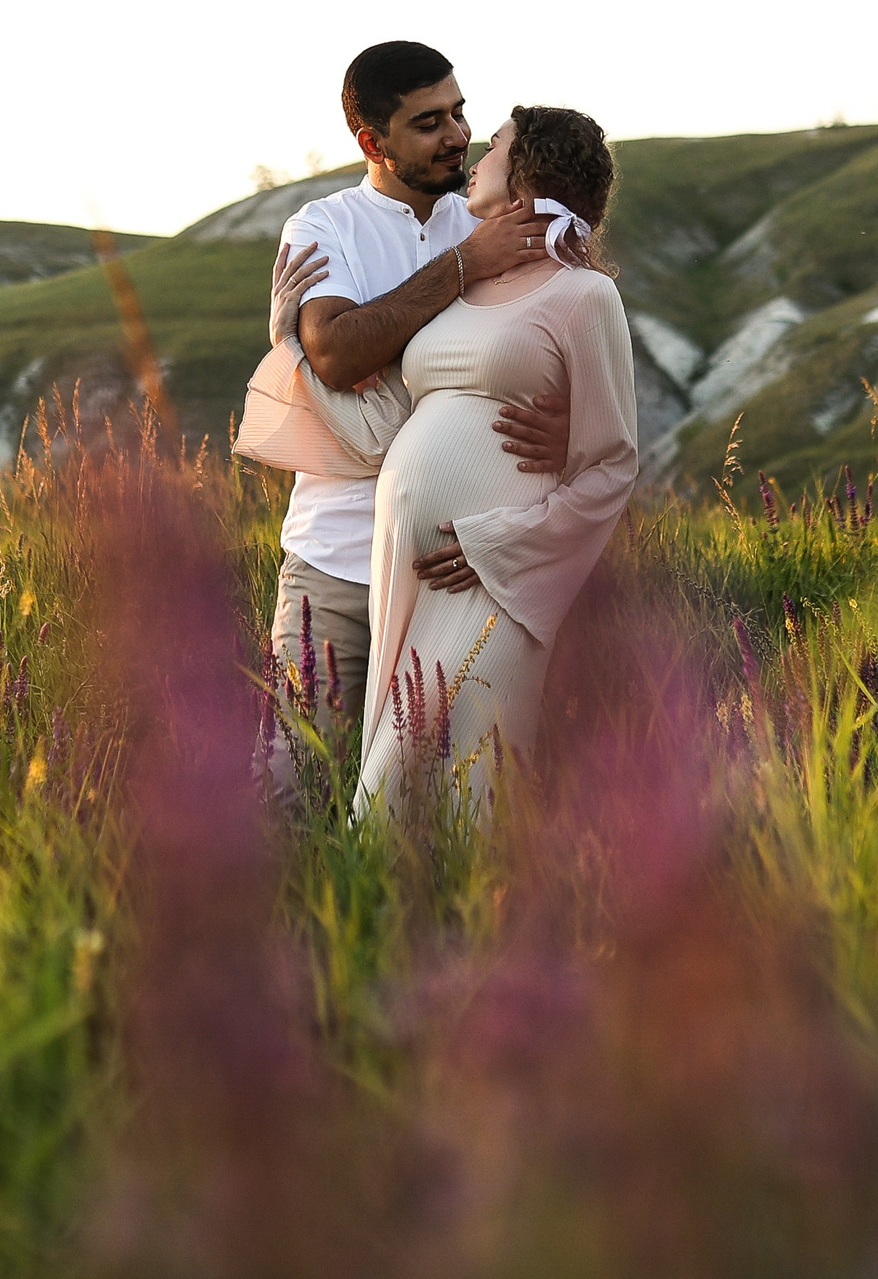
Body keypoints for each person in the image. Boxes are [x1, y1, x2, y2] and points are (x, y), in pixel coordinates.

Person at [259, 105, 638, 819]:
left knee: (468, 780)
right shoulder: (461, 283)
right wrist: (290, 345)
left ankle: (482, 923)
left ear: (524, 176)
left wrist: (499, 544)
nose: (472, 145)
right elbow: (378, 426)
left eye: (490, 139)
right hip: (404, 576)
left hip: (490, 578)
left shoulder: (589, 295)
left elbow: (612, 462)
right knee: (383, 800)